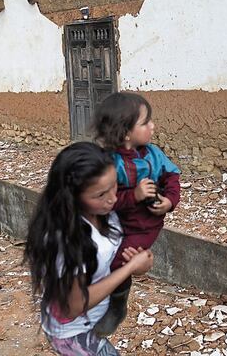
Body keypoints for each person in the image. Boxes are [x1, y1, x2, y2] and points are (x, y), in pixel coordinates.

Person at [24, 142, 154, 355]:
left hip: (92, 322)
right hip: (72, 333)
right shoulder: (68, 240)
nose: (112, 198)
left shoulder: (106, 212)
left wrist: (138, 261)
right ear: (72, 197)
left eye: (115, 185)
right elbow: (75, 305)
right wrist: (129, 269)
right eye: (100, 195)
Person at [91, 92, 181, 335]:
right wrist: (134, 196)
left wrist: (169, 202)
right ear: (126, 133)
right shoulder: (110, 163)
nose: (153, 125)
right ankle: (93, 298)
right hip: (114, 220)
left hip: (144, 226)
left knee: (119, 261)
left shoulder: (154, 154)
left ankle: (116, 308)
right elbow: (105, 202)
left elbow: (172, 177)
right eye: (146, 122)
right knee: (95, 255)